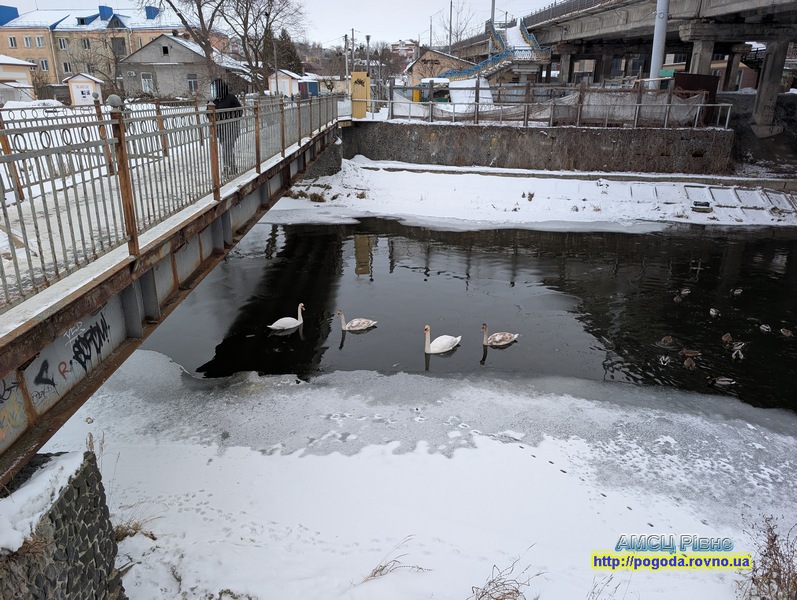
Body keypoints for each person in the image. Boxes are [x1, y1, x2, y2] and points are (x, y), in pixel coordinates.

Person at [211, 78, 242, 176]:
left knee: (226, 147)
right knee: (227, 148)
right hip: (221, 130)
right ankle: (232, 167)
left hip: (232, 128)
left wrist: (229, 117)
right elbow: (209, 114)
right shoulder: (214, 101)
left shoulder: (231, 97)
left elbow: (239, 111)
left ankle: (227, 167)